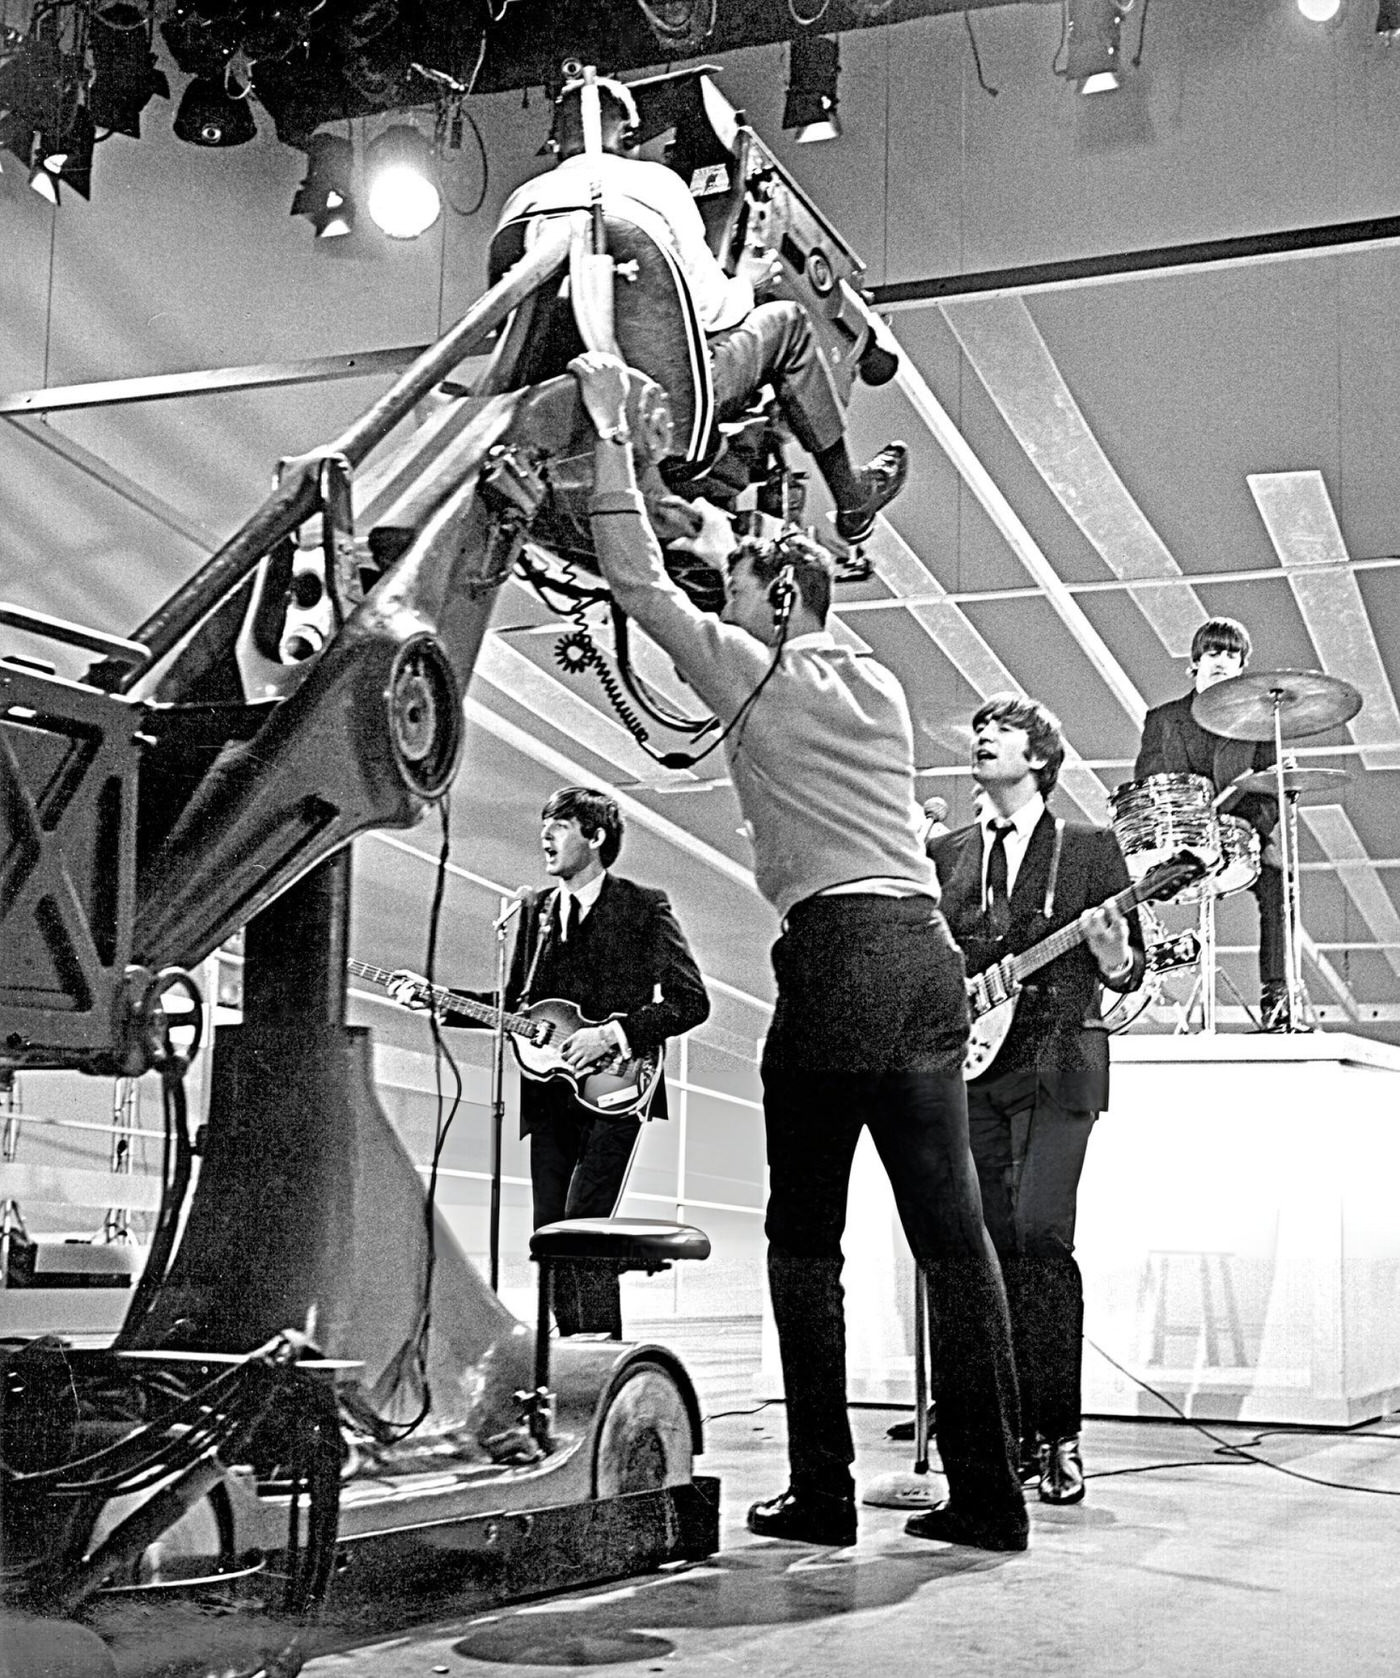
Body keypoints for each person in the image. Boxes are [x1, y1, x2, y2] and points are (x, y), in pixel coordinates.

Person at [571, 348, 1027, 1553]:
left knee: (801, 1241)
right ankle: (990, 1497)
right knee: (954, 1238)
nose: (714, 600)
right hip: (921, 954)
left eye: (731, 587)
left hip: (835, 962)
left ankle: (819, 1491)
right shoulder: (871, 676)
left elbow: (630, 579)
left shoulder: (757, 667)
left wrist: (614, 431)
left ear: (776, 599)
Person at [494, 73, 908, 545]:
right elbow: (713, 312)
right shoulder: (656, 183)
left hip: (558, 425)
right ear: (630, 137)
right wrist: (748, 282)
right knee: (788, 324)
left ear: (553, 143)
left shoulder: (520, 204)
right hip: (666, 411)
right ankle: (852, 500)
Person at [388, 786, 709, 1336]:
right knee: (552, 1230)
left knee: (587, 1222)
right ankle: (568, 1354)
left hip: (618, 1089)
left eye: (560, 825)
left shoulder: (642, 905)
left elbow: (690, 1001)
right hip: (547, 1093)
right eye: (545, 823)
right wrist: (437, 998)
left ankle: (601, 1349)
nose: (546, 835)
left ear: (597, 836)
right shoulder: (535, 910)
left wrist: (614, 1033)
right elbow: (518, 1006)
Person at [928, 694, 1144, 1505]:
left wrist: (1116, 953)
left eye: (1004, 729)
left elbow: (1130, 974)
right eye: (979, 726)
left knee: (1041, 1238)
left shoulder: (1090, 849)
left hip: (1057, 1063)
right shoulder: (944, 853)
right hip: (968, 1070)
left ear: (1042, 757)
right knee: (982, 1249)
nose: (984, 735)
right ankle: (996, 1433)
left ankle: (1058, 1436)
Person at [1134, 617, 1287, 1029]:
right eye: (1214, 651)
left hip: (1237, 835)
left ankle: (1277, 995)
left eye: (1231, 654)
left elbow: (1270, 793)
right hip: (1176, 840)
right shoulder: (1163, 719)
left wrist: (1250, 830)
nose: (1222, 660)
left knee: (1279, 883)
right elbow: (1146, 786)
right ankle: (1126, 987)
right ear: (1196, 661)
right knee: (1116, 881)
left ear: (1241, 667)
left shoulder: (1258, 724)